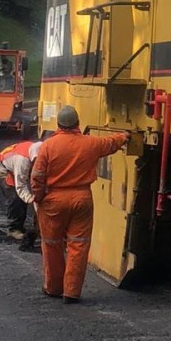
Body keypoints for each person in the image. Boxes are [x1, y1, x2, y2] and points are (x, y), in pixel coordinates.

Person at [31, 105, 129, 303]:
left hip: (53, 201)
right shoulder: (90, 143)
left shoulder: (48, 146)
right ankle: (72, 292)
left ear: (58, 124)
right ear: (77, 124)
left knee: (51, 245)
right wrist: (124, 136)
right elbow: (109, 143)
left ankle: (53, 288)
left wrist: (39, 197)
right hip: (82, 200)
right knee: (79, 246)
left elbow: (37, 176)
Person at [0, 140, 41, 240]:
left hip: (13, 167)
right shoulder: (22, 160)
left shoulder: (40, 149)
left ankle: (21, 226)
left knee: (23, 197)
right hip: (1, 169)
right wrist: (30, 199)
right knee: (16, 198)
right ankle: (14, 229)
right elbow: (20, 186)